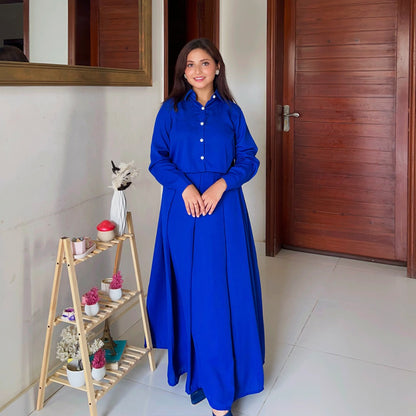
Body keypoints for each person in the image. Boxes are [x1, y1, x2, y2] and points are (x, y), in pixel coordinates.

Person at [147, 38, 265, 416]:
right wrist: (185, 187)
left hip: (222, 213)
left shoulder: (231, 112)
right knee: (187, 291)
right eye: (190, 64)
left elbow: (249, 158)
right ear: (183, 71)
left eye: (205, 63)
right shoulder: (169, 111)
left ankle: (218, 391)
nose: (197, 70)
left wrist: (220, 184)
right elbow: (157, 160)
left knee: (216, 296)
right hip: (181, 212)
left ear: (217, 67)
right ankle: (194, 370)